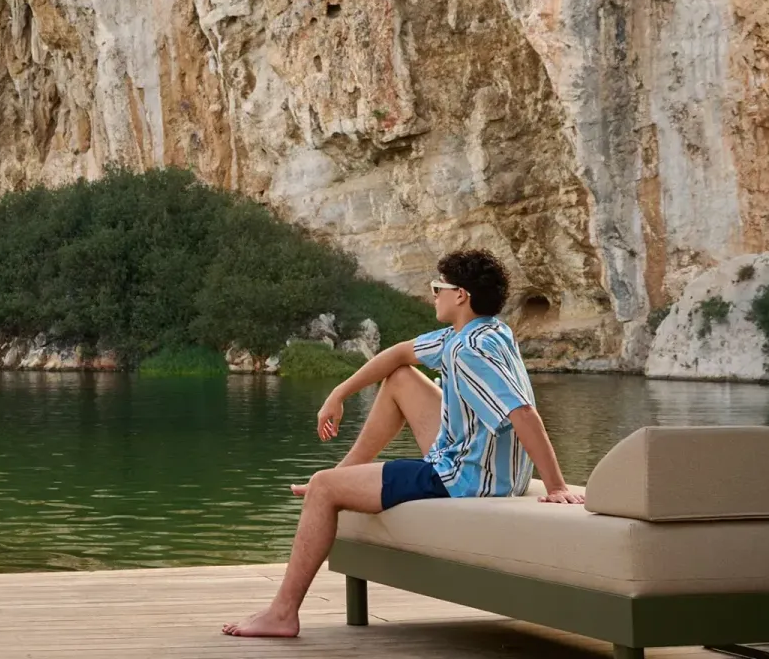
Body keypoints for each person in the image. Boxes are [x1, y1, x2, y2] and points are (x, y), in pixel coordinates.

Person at [222, 248, 584, 639]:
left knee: (325, 488)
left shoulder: (470, 351)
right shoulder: (483, 331)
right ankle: (343, 475)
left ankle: (282, 613)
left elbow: (523, 414)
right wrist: (338, 395)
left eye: (437, 288)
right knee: (400, 379)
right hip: (483, 461)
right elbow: (397, 355)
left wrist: (556, 486)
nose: (433, 295)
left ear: (460, 294)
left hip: (468, 477)